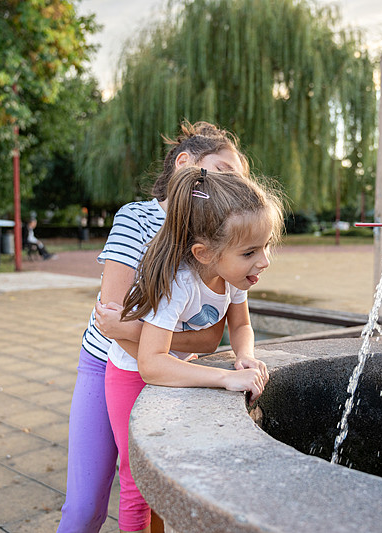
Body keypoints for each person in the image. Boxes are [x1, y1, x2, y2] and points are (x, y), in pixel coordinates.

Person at [57, 121, 251, 533]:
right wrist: (163, 346)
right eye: (225, 171)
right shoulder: (138, 219)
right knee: (86, 507)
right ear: (186, 164)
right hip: (109, 363)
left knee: (152, 487)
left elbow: (210, 335)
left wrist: (166, 346)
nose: (233, 186)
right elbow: (110, 321)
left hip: (165, 367)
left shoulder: (208, 233)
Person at [105, 165, 283, 533]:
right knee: (140, 481)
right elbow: (151, 365)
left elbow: (241, 325)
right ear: (204, 253)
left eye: (265, 246)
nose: (264, 261)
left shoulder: (233, 274)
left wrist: (244, 354)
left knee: (175, 471)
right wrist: (223, 378)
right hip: (129, 376)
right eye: (251, 251)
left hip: (179, 370)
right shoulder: (179, 284)